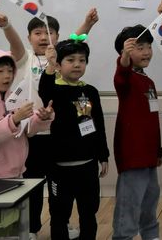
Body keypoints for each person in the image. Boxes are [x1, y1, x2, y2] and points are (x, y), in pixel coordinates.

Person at [0, 8, 98, 239]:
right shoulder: (24, 59)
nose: (43, 37)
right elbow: (14, 43)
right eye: (38, 33)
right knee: (32, 183)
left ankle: (62, 224)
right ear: (30, 37)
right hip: (33, 134)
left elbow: (75, 41)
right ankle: (32, 228)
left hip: (58, 134)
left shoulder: (60, 58)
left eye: (49, 32)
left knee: (60, 186)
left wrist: (87, 25)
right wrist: (6, 25)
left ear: (57, 37)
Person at [40, 38, 109, 240]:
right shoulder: (54, 90)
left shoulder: (90, 92)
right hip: (59, 168)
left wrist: (103, 155)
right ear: (59, 65)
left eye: (82, 60)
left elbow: (98, 125)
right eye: (70, 60)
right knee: (59, 214)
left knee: (89, 212)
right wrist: (50, 65)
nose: (77, 64)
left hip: (87, 165)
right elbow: (44, 89)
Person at [0, 48, 53, 178]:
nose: (7, 75)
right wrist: (14, 119)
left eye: (10, 71)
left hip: (17, 172)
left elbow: (27, 129)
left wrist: (41, 118)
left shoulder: (14, 98)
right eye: (0, 71)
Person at [112, 26, 162, 240]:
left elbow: (153, 120)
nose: (147, 52)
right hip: (132, 157)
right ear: (125, 52)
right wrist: (124, 56)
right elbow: (121, 72)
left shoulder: (149, 82)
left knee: (150, 204)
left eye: (149, 47)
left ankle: (151, 236)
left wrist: (158, 151)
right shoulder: (125, 79)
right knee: (129, 208)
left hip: (149, 157)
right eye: (139, 47)